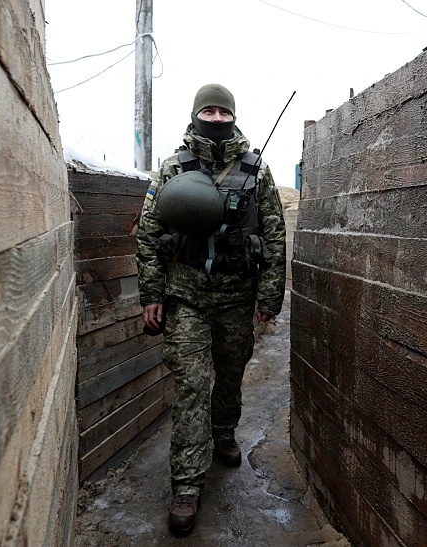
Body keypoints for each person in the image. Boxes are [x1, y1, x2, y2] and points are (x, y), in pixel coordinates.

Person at [136, 83, 287, 536]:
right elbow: (149, 234)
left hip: (237, 297)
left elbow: (275, 235)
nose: (217, 118)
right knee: (191, 385)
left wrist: (270, 297)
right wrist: (151, 294)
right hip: (186, 296)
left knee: (231, 372)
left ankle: (224, 432)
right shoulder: (173, 168)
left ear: (233, 117)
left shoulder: (256, 170)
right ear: (196, 114)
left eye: (224, 112)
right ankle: (186, 485)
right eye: (209, 111)